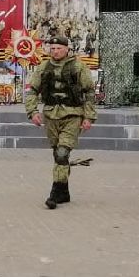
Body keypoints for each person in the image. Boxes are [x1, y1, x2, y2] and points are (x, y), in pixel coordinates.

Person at [22, 35, 96, 209]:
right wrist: (32, 112)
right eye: (52, 48)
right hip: (50, 116)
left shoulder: (78, 66)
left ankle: (54, 193)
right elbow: (32, 90)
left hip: (72, 115)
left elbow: (89, 92)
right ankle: (64, 191)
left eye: (59, 48)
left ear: (66, 49)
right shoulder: (43, 67)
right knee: (58, 155)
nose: (55, 51)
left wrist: (88, 117)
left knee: (62, 153)